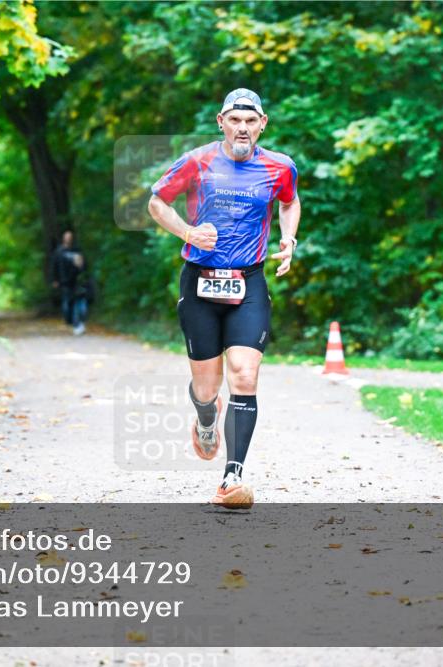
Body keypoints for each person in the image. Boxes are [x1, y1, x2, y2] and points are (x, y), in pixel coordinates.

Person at [147, 88, 300, 509]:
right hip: (199, 283)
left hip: (249, 283)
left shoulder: (280, 166)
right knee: (207, 387)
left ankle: (232, 477)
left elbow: (290, 202)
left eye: (250, 121)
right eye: (235, 120)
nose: (242, 128)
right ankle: (205, 417)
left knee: (244, 375)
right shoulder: (197, 161)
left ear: (262, 124)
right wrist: (187, 232)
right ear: (221, 122)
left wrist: (289, 238)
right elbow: (157, 202)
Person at [49, 229, 89, 335]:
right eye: (67, 237)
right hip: (64, 282)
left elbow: (84, 265)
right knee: (67, 305)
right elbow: (54, 266)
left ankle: (78, 324)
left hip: (77, 282)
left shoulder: (77, 250)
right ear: (63, 238)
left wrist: (81, 267)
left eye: (70, 237)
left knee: (79, 305)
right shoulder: (59, 252)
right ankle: (71, 321)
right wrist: (55, 279)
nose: (68, 239)